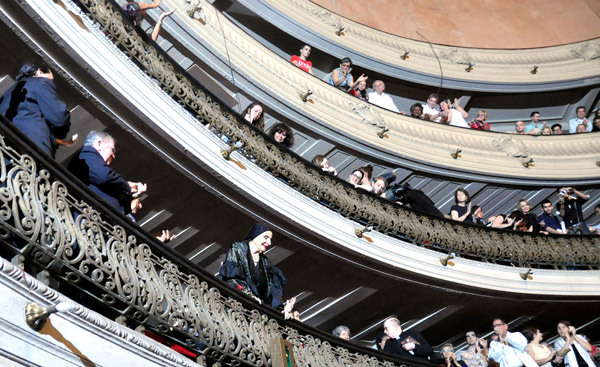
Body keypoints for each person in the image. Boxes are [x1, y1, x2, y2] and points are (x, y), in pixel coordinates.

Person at [0, 62, 71, 158]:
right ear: (40, 72)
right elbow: (59, 118)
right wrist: (63, 131)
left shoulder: (5, 95)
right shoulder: (41, 82)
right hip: (31, 151)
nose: (51, 81)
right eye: (50, 78)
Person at [68, 131, 147, 214]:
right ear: (99, 143)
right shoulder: (87, 153)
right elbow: (104, 176)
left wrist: (130, 193)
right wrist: (127, 186)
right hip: (86, 218)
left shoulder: (91, 159)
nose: (113, 155)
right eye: (112, 149)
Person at [218, 223, 288, 309]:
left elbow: (271, 292)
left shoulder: (266, 262)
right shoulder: (238, 248)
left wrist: (282, 308)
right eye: (266, 237)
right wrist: (248, 295)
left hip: (252, 312)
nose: (269, 243)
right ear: (255, 235)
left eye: (270, 239)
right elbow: (232, 278)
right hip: (232, 305)